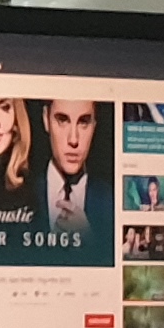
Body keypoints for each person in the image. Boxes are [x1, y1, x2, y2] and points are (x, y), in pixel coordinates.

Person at [42, 96, 106, 231]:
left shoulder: (112, 201)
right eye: (62, 120)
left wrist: (89, 240)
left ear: (94, 124)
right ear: (46, 119)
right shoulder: (20, 194)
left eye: (83, 122)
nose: (73, 139)